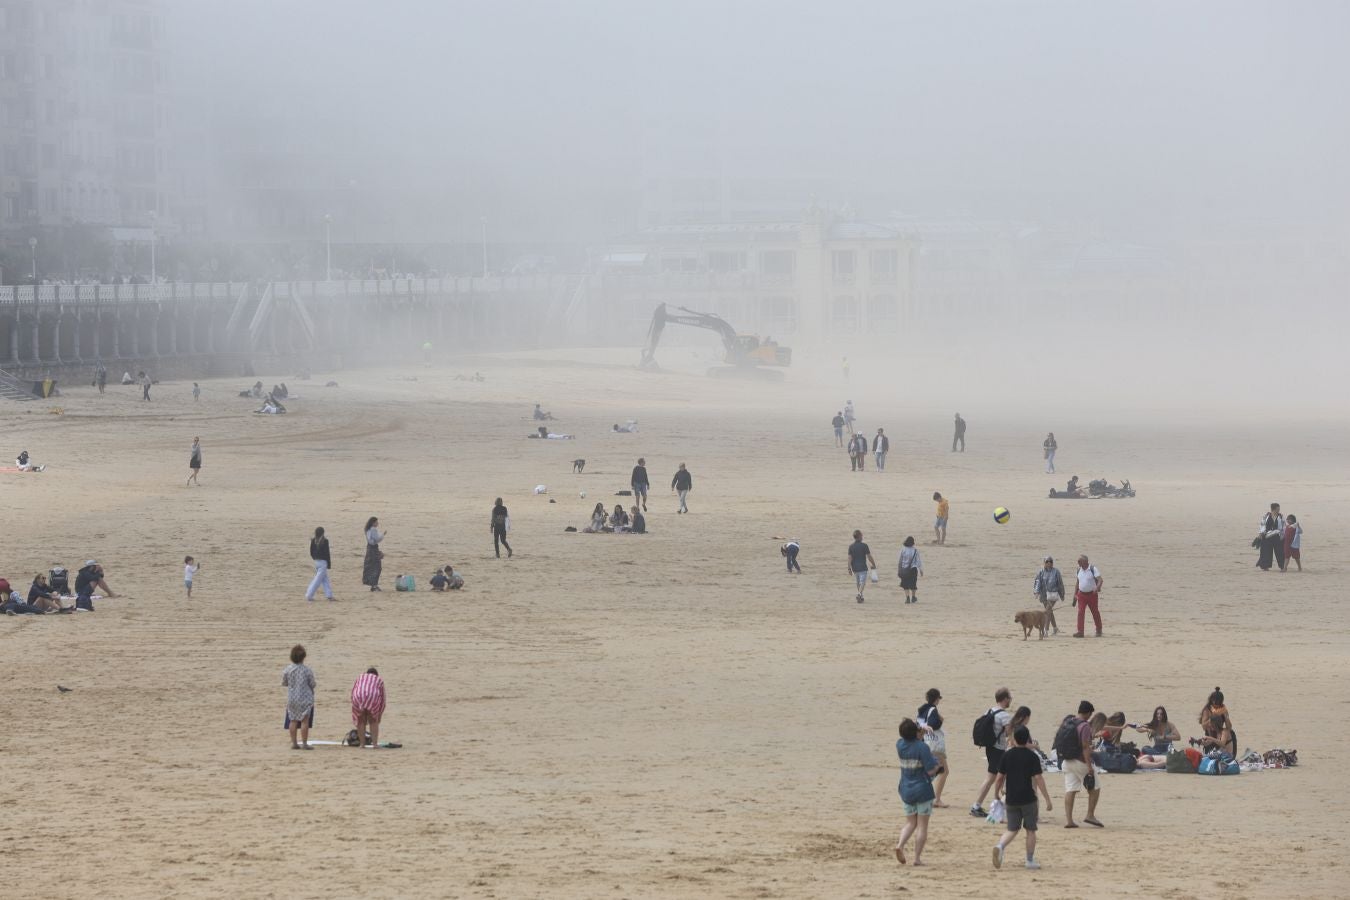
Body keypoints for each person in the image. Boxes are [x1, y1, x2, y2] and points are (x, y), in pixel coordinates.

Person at [993, 726, 1053, 870]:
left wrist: (996, 793)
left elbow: (1000, 777)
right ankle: (1029, 860)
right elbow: (1038, 778)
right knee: (1030, 830)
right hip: (1028, 798)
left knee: (1012, 829)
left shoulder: (1007, 755)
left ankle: (1000, 846)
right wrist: (1047, 799)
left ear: (1014, 739)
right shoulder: (1032, 756)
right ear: (1027, 739)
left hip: (1011, 797)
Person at [894, 717, 942, 866]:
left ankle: (900, 845)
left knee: (910, 823)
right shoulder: (922, 748)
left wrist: (918, 734)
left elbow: (911, 740)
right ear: (915, 732)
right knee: (922, 826)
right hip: (922, 790)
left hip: (906, 789)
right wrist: (938, 768)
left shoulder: (900, 744)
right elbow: (930, 770)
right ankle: (917, 859)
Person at [1058, 700, 1103, 828]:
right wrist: (1089, 767)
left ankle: (1069, 820)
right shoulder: (1084, 726)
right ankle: (1090, 815)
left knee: (1070, 789)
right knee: (1095, 787)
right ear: (1088, 713)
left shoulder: (1068, 721)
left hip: (1066, 760)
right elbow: (1085, 747)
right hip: (1080, 761)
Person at [970, 687, 1014, 818]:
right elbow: (1008, 734)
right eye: (1009, 698)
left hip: (990, 747)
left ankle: (983, 804)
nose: (1010, 700)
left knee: (996, 777)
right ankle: (976, 805)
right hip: (998, 750)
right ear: (1005, 699)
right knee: (991, 778)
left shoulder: (990, 710)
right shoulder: (1004, 715)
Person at [917, 689, 949, 807]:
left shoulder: (922, 710)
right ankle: (937, 799)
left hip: (925, 743)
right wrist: (940, 720)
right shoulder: (933, 710)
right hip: (934, 745)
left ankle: (923, 793)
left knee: (934, 771)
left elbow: (919, 724)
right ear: (936, 699)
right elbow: (933, 724)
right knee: (944, 771)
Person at [282, 644, 316, 750]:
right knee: (304, 721)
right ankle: (305, 743)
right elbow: (313, 683)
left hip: (292, 698)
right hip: (305, 698)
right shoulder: (307, 670)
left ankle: (294, 743)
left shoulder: (287, 670)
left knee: (293, 720)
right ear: (303, 657)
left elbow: (284, 682)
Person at [351, 667, 387, 749]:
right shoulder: (379, 679)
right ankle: (375, 744)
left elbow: (353, 691)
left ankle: (362, 744)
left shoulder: (360, 677)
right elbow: (383, 700)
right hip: (372, 696)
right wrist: (379, 716)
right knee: (373, 721)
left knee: (360, 720)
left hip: (358, 696)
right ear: (376, 675)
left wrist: (355, 707)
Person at [1197, 687, 1236, 757]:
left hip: (1221, 733)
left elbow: (1229, 727)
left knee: (1230, 735)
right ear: (1212, 700)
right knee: (1210, 755)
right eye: (1215, 704)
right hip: (1210, 734)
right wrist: (1213, 718)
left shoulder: (1223, 709)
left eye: (1218, 704)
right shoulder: (1207, 710)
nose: (1216, 706)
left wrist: (1226, 716)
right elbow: (1204, 726)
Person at [1032, 556, 1065, 635]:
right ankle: (1055, 628)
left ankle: (1045, 630)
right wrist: (1036, 592)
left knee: (1047, 611)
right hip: (1044, 595)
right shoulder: (1041, 572)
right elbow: (1038, 582)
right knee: (1050, 611)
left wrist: (1062, 594)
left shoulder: (1056, 571)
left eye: (1051, 561)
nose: (1049, 563)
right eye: (1047, 561)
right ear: (1044, 563)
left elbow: (1060, 583)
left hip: (1053, 594)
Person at [1072, 554, 1103, 637]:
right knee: (1080, 612)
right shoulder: (1079, 570)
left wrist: (1097, 587)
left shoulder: (1093, 569)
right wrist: (1075, 594)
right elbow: (1077, 582)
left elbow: (1100, 580)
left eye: (1079, 561)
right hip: (1081, 595)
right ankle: (1080, 632)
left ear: (1085, 561)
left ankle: (1099, 629)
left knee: (1095, 612)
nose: (1078, 562)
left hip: (1092, 595)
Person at [847, 529, 877, 604]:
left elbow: (849, 558)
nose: (862, 536)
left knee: (858, 583)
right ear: (859, 536)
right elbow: (869, 556)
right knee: (862, 582)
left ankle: (861, 596)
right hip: (863, 567)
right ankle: (859, 594)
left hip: (855, 568)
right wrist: (873, 564)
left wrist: (849, 568)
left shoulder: (851, 546)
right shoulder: (864, 546)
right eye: (861, 535)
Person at [306, 526, 334, 602]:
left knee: (325, 579)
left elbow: (311, 552)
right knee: (317, 580)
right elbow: (327, 554)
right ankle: (309, 595)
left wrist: (315, 558)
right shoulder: (325, 541)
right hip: (323, 563)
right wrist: (328, 564)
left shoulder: (313, 540)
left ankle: (329, 595)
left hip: (316, 562)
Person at [1256, 502, 1285, 571]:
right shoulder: (1266, 516)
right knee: (1266, 551)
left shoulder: (1280, 516)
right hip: (1267, 537)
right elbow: (1262, 524)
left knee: (1280, 552)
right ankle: (1265, 566)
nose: (1278, 510)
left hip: (1277, 537)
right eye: (1277, 509)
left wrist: (1283, 535)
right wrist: (1261, 533)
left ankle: (1282, 566)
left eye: (1279, 509)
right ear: (1273, 509)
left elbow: (1284, 526)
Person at [897, 536, 923, 603]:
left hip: (904, 569)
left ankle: (907, 597)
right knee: (913, 583)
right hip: (913, 569)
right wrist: (921, 569)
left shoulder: (903, 549)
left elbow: (900, 559)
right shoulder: (915, 550)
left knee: (905, 584)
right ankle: (913, 597)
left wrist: (899, 569)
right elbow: (918, 561)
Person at [363, 517, 385, 590]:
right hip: (373, 549)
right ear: (373, 523)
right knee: (377, 567)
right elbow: (377, 539)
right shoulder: (373, 529)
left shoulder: (368, 529)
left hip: (369, 548)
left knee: (371, 567)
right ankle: (374, 585)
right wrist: (383, 535)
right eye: (376, 522)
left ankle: (373, 585)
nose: (377, 523)